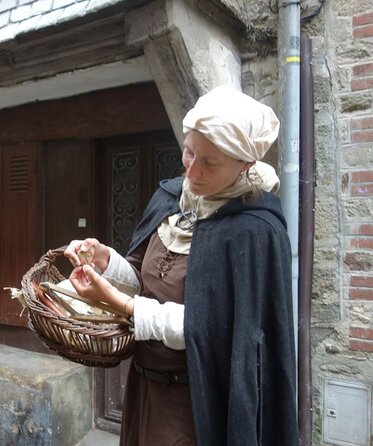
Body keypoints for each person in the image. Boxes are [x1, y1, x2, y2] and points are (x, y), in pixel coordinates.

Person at [64, 86, 298, 445]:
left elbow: (214, 330)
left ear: (245, 166)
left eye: (210, 162)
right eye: (189, 153)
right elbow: (144, 279)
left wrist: (123, 306)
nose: (193, 171)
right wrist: (105, 260)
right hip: (145, 389)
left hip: (197, 404)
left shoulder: (254, 231)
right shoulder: (172, 198)